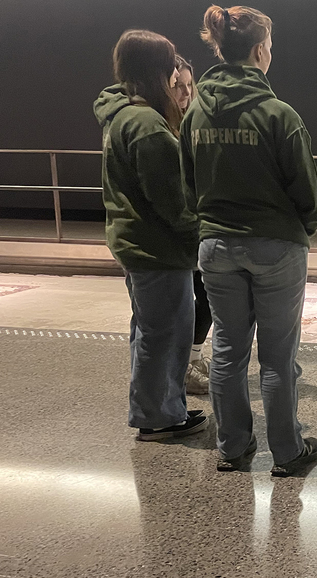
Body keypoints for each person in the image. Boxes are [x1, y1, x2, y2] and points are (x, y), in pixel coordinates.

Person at [180, 4, 317, 476]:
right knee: (278, 357)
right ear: (261, 50)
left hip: (216, 247)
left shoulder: (195, 114)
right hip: (275, 247)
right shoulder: (278, 114)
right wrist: (302, 230)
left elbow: (188, 186)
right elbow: (308, 195)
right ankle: (287, 452)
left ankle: (232, 447)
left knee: (227, 351)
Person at [94, 29, 207, 441]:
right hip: (158, 249)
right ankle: (159, 416)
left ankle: (157, 408)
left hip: (134, 243)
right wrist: (201, 237)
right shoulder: (148, 125)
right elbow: (174, 202)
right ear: (157, 69)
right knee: (166, 335)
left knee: (148, 331)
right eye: (171, 63)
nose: (177, 73)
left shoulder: (121, 114)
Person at [173, 54, 213, 396]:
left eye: (189, 85)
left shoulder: (192, 122)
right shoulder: (158, 128)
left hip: (197, 229)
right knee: (183, 303)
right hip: (178, 233)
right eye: (178, 86)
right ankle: (182, 368)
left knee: (207, 297)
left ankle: (192, 358)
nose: (186, 93)